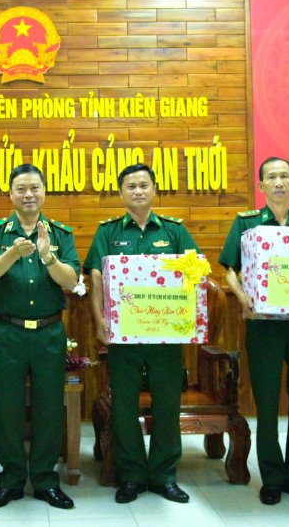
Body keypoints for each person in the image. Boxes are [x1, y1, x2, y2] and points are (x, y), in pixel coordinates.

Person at [218, 157, 289, 506]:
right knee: (266, 403)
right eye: (271, 177)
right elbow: (229, 270)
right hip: (263, 326)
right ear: (261, 186)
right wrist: (241, 296)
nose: (278, 182)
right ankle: (271, 477)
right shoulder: (247, 224)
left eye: (284, 176)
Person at [83, 163, 197, 504]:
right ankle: (131, 474)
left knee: (167, 404)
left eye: (143, 184)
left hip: (165, 335)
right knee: (124, 406)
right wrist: (100, 320)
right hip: (124, 336)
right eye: (130, 186)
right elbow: (96, 278)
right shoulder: (108, 232)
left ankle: (164, 475)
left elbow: (195, 272)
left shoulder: (175, 231)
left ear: (154, 190)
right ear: (121, 194)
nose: (137, 190)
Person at [0, 164, 80, 511]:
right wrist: (10, 254)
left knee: (50, 406)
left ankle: (46, 480)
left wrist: (48, 256)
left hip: (50, 332)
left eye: (34, 188)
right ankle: (10, 481)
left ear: (44, 192)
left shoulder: (61, 233)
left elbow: (70, 281)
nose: (28, 195)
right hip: (8, 332)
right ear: (11, 194)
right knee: (7, 407)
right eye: (21, 189)